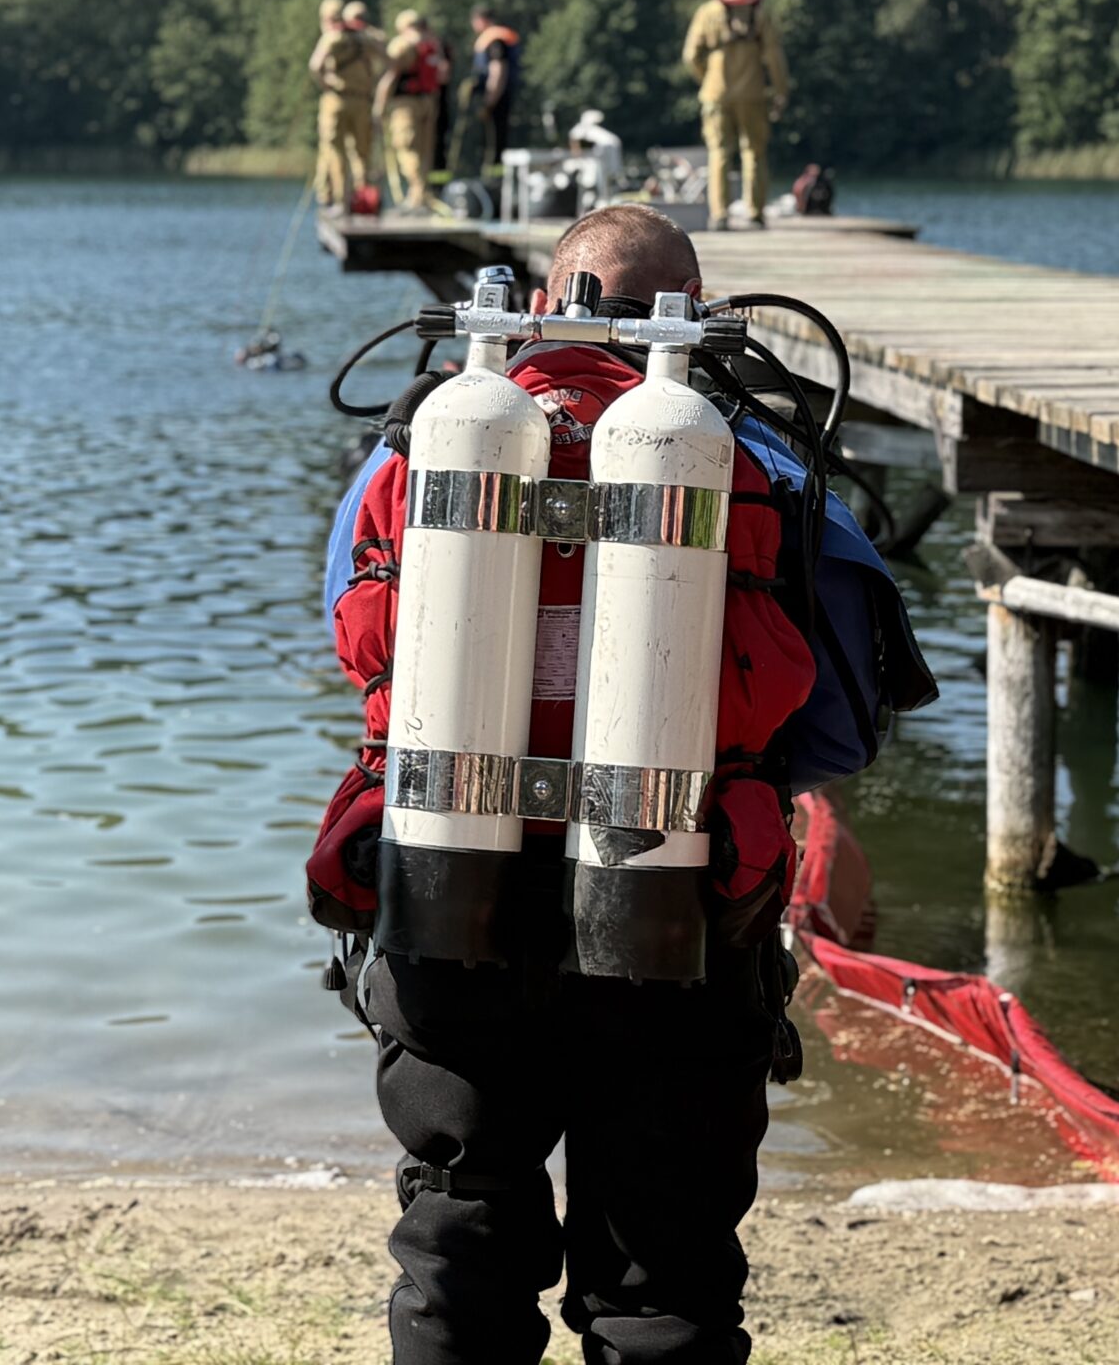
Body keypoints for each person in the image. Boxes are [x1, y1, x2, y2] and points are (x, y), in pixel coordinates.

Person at [308, 205, 927, 1365]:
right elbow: (840, 723)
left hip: (449, 891)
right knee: (661, 1271)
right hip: (671, 897)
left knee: (459, 1245)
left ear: (542, 305)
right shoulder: (744, 455)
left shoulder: (418, 448)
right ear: (694, 311)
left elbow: (366, 656)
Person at [682, 0, 792, 232]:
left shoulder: (707, 12)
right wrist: (780, 91)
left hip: (716, 95)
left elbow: (690, 55)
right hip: (753, 94)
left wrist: (706, 78)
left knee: (719, 152)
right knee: (754, 153)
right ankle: (754, 214)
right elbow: (774, 58)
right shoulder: (760, 14)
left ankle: (719, 216)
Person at [308, 0, 382, 209]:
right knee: (362, 152)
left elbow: (315, 66)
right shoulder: (365, 37)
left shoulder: (332, 37)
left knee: (334, 150)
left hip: (336, 98)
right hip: (363, 100)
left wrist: (326, 83)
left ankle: (339, 199)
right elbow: (388, 58)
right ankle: (362, 198)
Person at [376, 9, 449, 214]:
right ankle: (419, 197)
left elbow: (391, 74)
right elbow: (443, 76)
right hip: (429, 102)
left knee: (406, 148)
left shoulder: (403, 44)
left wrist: (379, 106)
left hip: (405, 104)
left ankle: (418, 196)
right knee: (424, 152)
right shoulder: (433, 45)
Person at [460, 8, 524, 175]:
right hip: (499, 95)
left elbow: (498, 71)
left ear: (481, 20)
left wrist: (489, 102)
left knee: (494, 140)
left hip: (496, 97)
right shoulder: (497, 37)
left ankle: (494, 179)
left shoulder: (495, 40)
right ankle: (493, 175)